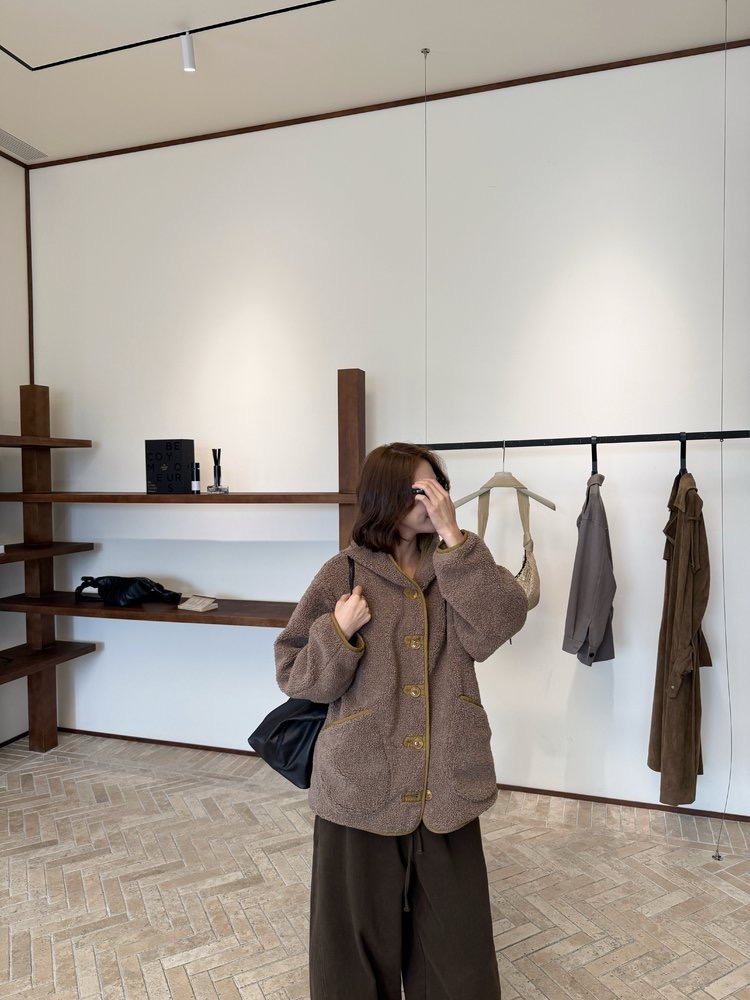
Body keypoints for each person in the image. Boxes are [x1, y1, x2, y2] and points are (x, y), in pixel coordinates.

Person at [274, 442, 528, 999]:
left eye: (437, 485)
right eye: (419, 488)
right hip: (359, 785)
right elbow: (294, 674)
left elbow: (501, 623)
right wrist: (338, 633)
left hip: (447, 783)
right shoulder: (341, 572)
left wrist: (455, 539)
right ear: (385, 497)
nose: (433, 498)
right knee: (354, 954)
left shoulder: (456, 562)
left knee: (459, 958)